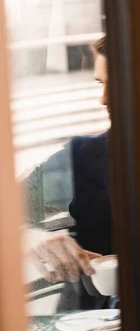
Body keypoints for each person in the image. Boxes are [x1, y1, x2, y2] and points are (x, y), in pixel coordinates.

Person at [21, 36, 113, 310]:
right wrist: (32, 237)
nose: (103, 99)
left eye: (114, 85)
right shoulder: (84, 154)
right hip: (87, 318)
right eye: (101, 84)